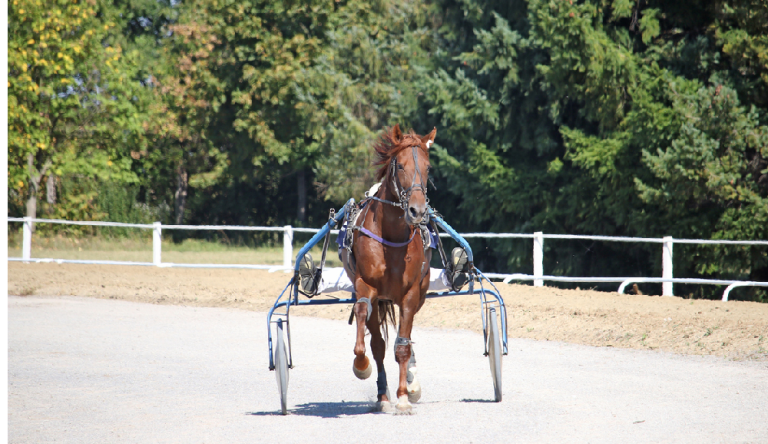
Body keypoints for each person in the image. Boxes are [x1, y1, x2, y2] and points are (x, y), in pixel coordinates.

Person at [298, 247, 470, 297]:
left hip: (398, 274)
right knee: (350, 275)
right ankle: (314, 282)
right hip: (370, 276)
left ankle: (452, 277)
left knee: (420, 275)